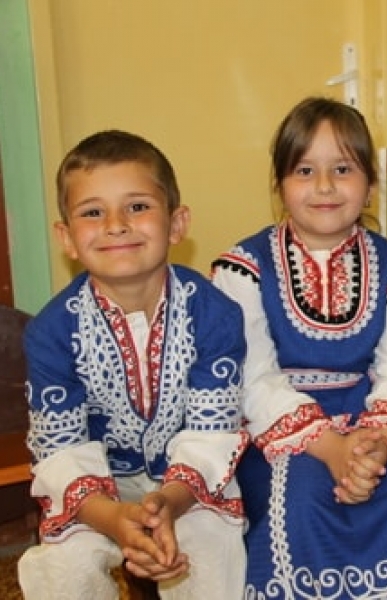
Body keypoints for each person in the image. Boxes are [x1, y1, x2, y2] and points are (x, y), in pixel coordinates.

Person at [211, 97, 387, 599]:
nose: (324, 186)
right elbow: (254, 381)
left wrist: (380, 444)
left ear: (370, 185)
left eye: (342, 169)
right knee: (299, 503)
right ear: (279, 185)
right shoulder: (242, 269)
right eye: (304, 170)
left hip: (372, 422)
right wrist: (332, 449)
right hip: (278, 432)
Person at [17, 130, 248, 599]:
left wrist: (168, 504)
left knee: (210, 543)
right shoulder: (51, 332)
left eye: (137, 206)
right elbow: (62, 451)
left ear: (177, 224)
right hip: (95, 493)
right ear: (66, 237)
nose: (116, 225)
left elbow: (211, 435)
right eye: (92, 212)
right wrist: (113, 518)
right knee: (66, 564)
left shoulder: (215, 314)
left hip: (187, 483)